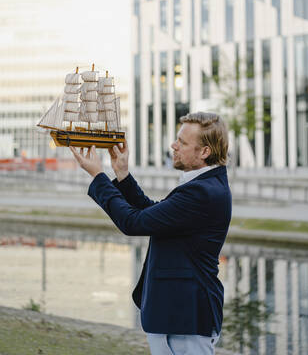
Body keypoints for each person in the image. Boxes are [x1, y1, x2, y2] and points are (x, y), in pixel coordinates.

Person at [70, 111, 232, 355]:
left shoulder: (202, 192)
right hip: (177, 313)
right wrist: (122, 174)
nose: (173, 145)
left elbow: (133, 223)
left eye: (183, 142)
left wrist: (98, 176)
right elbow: (154, 214)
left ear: (205, 152)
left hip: (186, 317)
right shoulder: (203, 184)